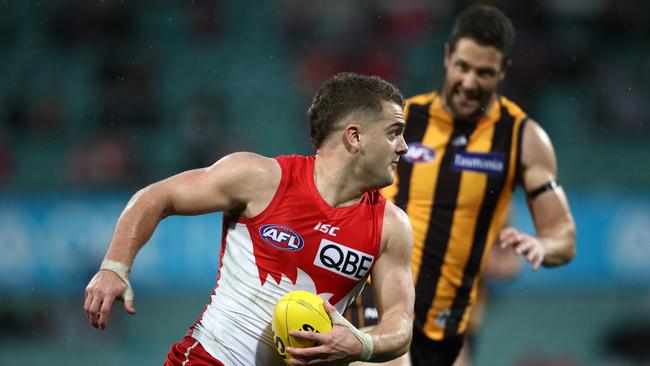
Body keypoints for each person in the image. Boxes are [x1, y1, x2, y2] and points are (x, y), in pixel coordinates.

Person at [83, 72, 415, 366]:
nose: (403, 147)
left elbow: (399, 323)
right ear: (354, 137)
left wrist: (362, 343)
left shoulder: (391, 226)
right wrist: (114, 267)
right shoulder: (261, 178)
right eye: (393, 132)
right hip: (211, 357)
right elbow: (157, 197)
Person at [348, 5, 576, 366]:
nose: (469, 82)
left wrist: (542, 246)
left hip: (448, 325)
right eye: (463, 67)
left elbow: (563, 236)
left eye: (484, 73)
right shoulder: (402, 120)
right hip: (378, 304)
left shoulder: (522, 139)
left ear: (503, 71)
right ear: (447, 56)